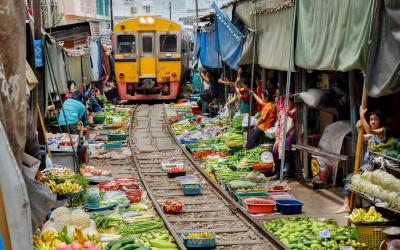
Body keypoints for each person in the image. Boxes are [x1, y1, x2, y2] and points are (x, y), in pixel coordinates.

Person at [336, 108, 387, 214]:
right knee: (349, 178)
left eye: (375, 119)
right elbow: (362, 137)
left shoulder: (382, 131)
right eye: (371, 119)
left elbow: (369, 131)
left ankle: (347, 205)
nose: (372, 121)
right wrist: (359, 128)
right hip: (369, 166)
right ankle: (346, 205)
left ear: (381, 120)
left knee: (351, 177)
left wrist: (361, 115)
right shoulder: (372, 136)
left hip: (378, 168)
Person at [271, 95, 297, 180]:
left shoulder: (295, 110)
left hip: (291, 133)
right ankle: (277, 172)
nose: (286, 104)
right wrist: (277, 139)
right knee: (275, 150)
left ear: (292, 103)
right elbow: (278, 126)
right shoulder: (282, 112)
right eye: (285, 102)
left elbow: (294, 115)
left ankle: (287, 168)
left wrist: (288, 113)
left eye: (288, 102)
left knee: (286, 143)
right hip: (282, 134)